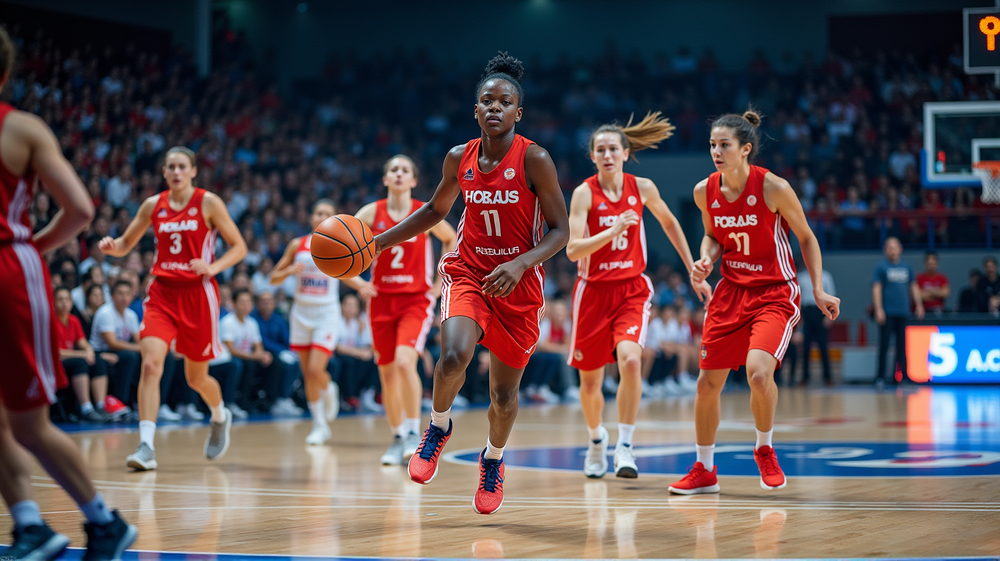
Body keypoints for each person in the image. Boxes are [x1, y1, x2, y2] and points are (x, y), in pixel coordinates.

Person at [373, 53, 570, 514]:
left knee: (503, 396)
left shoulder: (535, 159)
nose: (495, 108)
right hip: (468, 272)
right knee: (453, 357)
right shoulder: (458, 157)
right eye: (487, 101)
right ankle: (438, 428)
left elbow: (561, 231)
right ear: (475, 109)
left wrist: (522, 264)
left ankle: (492, 460)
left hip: (518, 284)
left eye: (505, 102)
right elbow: (435, 211)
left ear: (518, 113)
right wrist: (380, 242)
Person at [0, 27, 137, 557]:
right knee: (20, 422)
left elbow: (82, 211)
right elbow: (79, 210)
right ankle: (31, 525)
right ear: (7, 74)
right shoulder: (22, 129)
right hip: (14, 264)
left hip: (10, 269)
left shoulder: (21, 128)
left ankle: (103, 521)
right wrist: (31, 244)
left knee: (28, 423)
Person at [668, 110, 840, 495]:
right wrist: (706, 258)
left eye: (724, 145)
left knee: (759, 373)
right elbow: (713, 236)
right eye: (712, 144)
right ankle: (704, 468)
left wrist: (818, 289)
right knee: (706, 384)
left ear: (745, 149)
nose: (716, 151)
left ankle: (764, 448)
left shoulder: (773, 187)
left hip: (774, 293)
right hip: (730, 292)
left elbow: (807, 237)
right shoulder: (704, 191)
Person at [565, 112, 710, 479]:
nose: (608, 154)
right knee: (591, 382)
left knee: (631, 360)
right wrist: (611, 230)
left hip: (632, 289)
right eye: (601, 150)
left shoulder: (642, 188)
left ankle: (624, 446)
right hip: (592, 292)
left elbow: (670, 222)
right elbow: (572, 250)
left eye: (614, 148)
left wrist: (692, 265)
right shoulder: (584, 193)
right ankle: (596, 439)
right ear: (593, 157)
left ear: (626, 153)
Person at [99, 146, 247, 471]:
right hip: (162, 294)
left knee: (197, 378)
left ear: (193, 171)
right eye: (171, 167)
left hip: (198, 296)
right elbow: (126, 243)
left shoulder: (208, 202)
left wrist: (213, 266)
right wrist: (113, 247)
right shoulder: (154, 205)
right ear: (164, 173)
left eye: (182, 166)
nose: (176, 172)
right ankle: (146, 446)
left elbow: (239, 247)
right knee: (151, 364)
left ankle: (220, 415)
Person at [355, 154, 457, 465]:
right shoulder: (372, 212)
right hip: (381, 299)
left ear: (413, 181)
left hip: (415, 299)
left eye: (405, 170)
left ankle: (415, 433)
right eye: (393, 170)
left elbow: (450, 237)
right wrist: (357, 282)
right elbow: (344, 244)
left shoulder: (423, 211)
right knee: (386, 373)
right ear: (385, 179)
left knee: (403, 363)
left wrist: (442, 282)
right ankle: (398, 436)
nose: (398, 174)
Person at [270, 199, 371, 445]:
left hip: (326, 314)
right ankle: (319, 425)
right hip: (301, 314)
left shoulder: (340, 245)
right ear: (312, 218)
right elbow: (274, 277)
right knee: (307, 373)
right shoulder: (298, 244)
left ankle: (329, 388)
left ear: (334, 218)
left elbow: (349, 273)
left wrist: (363, 285)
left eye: (327, 213)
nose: (322, 215)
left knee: (316, 370)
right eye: (318, 212)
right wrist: (289, 271)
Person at [872, 237, 924, 388]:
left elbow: (913, 286)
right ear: (885, 250)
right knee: (884, 345)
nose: (892, 250)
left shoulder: (906, 266)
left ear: (900, 249)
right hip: (887, 312)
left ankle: (903, 376)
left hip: (903, 312)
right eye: (889, 247)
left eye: (895, 247)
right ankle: (880, 377)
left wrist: (919, 305)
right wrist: (879, 309)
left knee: (903, 346)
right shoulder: (881, 267)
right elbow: (877, 288)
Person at [54, 286, 111, 423]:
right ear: (53, 302)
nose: (64, 303)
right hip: (55, 362)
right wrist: (83, 354)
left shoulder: (73, 320)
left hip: (71, 358)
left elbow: (83, 343)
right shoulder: (51, 321)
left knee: (98, 360)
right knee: (80, 362)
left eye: (67, 299)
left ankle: (100, 406)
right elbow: (57, 353)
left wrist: (89, 351)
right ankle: (86, 409)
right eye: (60, 299)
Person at [220, 289, 270, 419]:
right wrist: (255, 356)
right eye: (242, 302)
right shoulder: (227, 322)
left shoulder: (252, 323)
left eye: (249, 302)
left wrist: (262, 355)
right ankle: (230, 402)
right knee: (241, 364)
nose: (246, 305)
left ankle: (268, 401)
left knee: (272, 362)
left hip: (245, 358)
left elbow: (258, 346)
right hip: (225, 360)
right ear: (234, 303)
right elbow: (231, 350)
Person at [795, 255, 836, 386]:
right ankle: (805, 377)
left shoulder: (826, 276)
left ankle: (827, 377)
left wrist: (829, 317)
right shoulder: (801, 277)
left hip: (821, 314)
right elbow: (797, 299)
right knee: (805, 348)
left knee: (823, 347)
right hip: (806, 313)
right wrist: (798, 318)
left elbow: (831, 297)